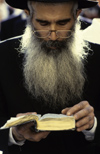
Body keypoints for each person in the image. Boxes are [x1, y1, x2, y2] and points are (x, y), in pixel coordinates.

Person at [0, 0, 99, 154]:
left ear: (77, 15)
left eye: (62, 23)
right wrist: (15, 134)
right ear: (29, 15)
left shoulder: (98, 56)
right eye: (43, 23)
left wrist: (93, 125)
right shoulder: (3, 56)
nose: (53, 36)